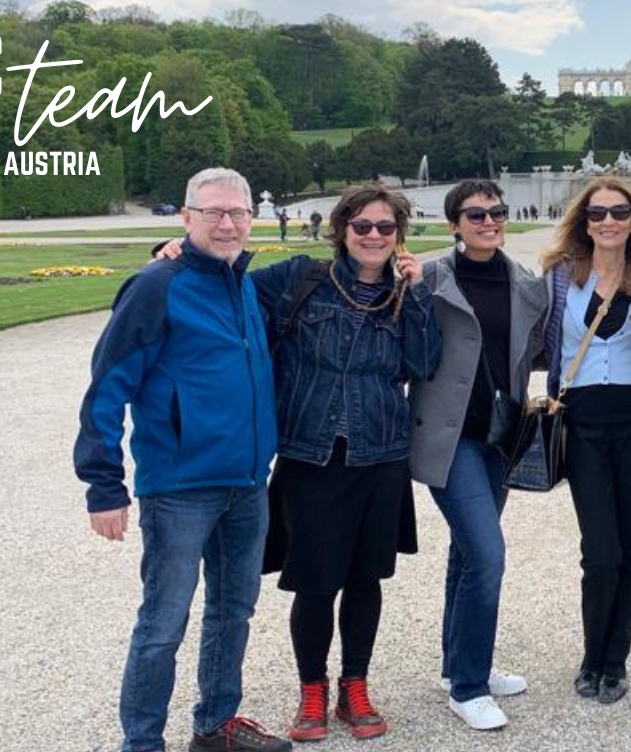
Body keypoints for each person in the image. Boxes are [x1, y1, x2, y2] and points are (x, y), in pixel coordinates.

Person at [73, 168, 291, 752]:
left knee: (233, 613)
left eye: (238, 213)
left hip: (247, 483)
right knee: (163, 624)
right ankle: (142, 742)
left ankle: (216, 726)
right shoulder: (156, 286)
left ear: (253, 219)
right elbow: (107, 388)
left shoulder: (245, 285)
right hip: (180, 488)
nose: (227, 224)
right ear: (186, 217)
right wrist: (103, 484)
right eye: (213, 212)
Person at [255, 186, 441, 742]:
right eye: (362, 226)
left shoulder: (405, 295)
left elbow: (424, 362)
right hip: (311, 453)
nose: (374, 236)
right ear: (342, 230)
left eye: (386, 227)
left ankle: (354, 686)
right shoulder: (302, 278)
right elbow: (226, 287)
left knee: (365, 577)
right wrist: (174, 252)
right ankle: (312, 688)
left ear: (399, 235)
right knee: (315, 580)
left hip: (379, 453)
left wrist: (418, 294)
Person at [408, 179, 550, 731]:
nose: (489, 221)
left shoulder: (526, 283)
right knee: (487, 556)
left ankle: (459, 666)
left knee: (467, 554)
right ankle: (469, 687)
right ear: (454, 225)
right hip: (450, 438)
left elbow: (539, 349)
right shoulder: (428, 278)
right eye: (476, 215)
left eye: (497, 212)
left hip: (499, 435)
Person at [537, 177, 631, 705]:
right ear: (583, 223)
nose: (608, 221)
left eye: (618, 213)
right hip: (583, 423)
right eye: (597, 214)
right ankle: (592, 655)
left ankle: (615, 661)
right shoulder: (560, 276)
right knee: (600, 550)